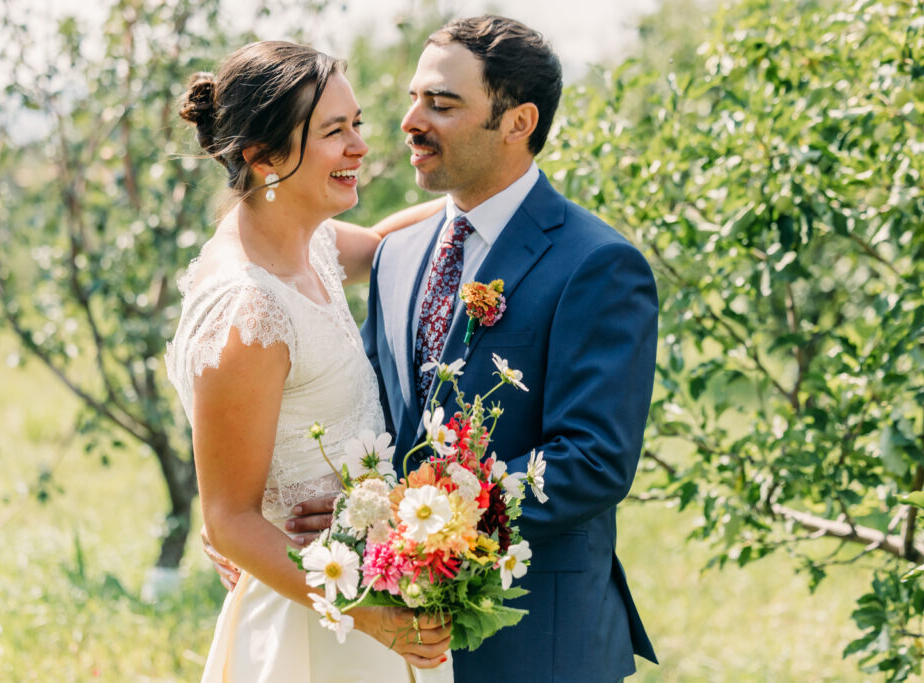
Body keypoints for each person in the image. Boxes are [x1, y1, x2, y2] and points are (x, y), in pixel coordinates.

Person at [285, 15, 660, 682]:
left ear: (518, 122)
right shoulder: (397, 256)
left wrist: (420, 514)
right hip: (396, 643)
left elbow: (595, 459)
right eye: (412, 99)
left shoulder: (597, 263)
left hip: (539, 640)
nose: (409, 122)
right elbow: (371, 413)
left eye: (442, 103)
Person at [165, 41, 451, 682]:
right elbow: (229, 519)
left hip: (371, 591)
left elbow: (382, 246)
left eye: (356, 125)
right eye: (333, 131)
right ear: (263, 157)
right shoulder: (249, 311)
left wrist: (500, 197)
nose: (358, 147)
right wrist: (371, 618)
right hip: (315, 623)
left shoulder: (307, 239)